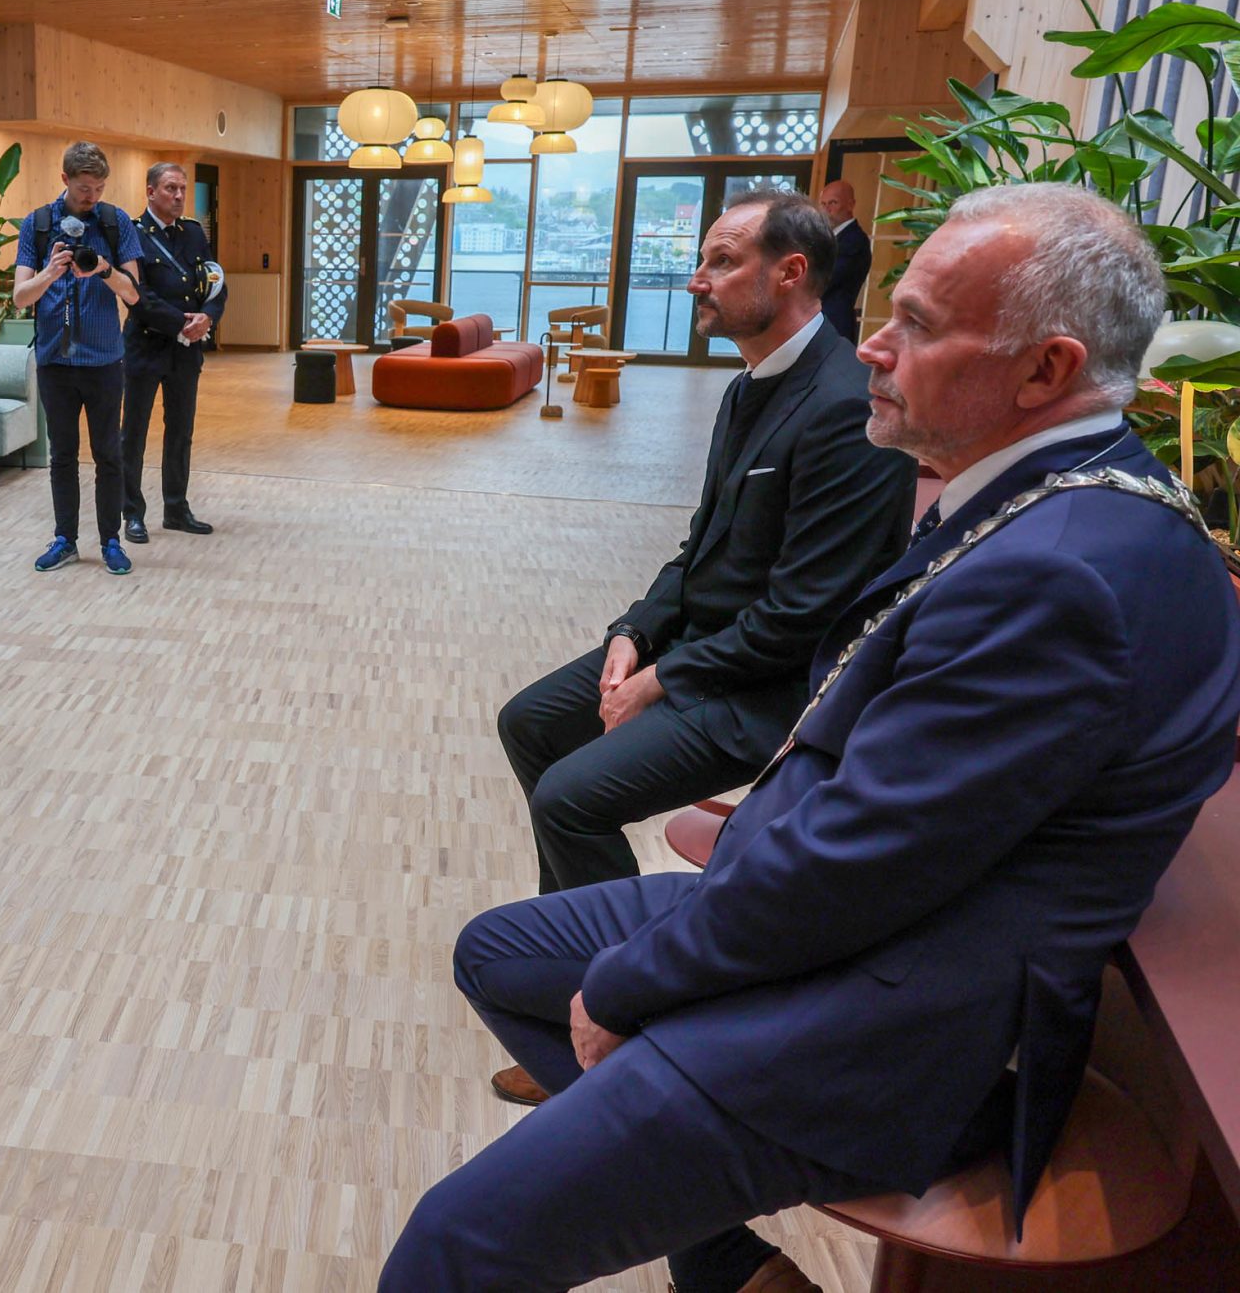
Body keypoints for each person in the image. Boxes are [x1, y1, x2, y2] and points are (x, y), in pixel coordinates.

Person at [380, 183, 1240, 1293]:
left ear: (1044, 371)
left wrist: (632, 989)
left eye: (915, 324)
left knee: (451, 1245)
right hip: (830, 916)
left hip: (881, 1019)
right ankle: (725, 1261)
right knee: (498, 955)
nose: (871, 346)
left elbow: (853, 867)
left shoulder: (1063, 573)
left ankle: (675, 1163)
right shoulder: (1058, 498)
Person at [491, 190, 914, 1105]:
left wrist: (663, 679)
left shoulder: (844, 406)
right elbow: (700, 547)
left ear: (789, 273)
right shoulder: (749, 383)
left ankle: (622, 1012)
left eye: (722, 260)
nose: (696, 280)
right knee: (531, 723)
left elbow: (806, 616)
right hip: (704, 644)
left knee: (570, 800)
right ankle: (568, 973)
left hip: (778, 689)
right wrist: (634, 632)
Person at [13, 141, 146, 575]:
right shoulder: (38, 224)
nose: (92, 196)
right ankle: (65, 539)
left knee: (109, 454)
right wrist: (50, 273)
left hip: (104, 360)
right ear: (65, 179)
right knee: (62, 455)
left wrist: (104, 269)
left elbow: (133, 294)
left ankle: (111, 541)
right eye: (85, 188)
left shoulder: (115, 221)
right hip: (55, 360)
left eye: (99, 188)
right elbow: (20, 298)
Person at [120, 162, 223, 542]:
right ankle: (132, 512)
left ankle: (176, 508)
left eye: (182, 188)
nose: (179, 196)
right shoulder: (133, 234)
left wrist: (208, 317)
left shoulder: (192, 233)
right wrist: (182, 322)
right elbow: (137, 295)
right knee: (134, 433)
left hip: (185, 351)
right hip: (146, 345)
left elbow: (215, 280)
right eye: (170, 188)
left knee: (181, 432)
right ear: (150, 191)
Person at [819, 179, 872, 342]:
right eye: (823, 204)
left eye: (833, 203)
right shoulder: (830, 238)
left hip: (834, 324)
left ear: (850, 205)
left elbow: (824, 279)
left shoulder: (854, 240)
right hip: (821, 322)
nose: (827, 209)